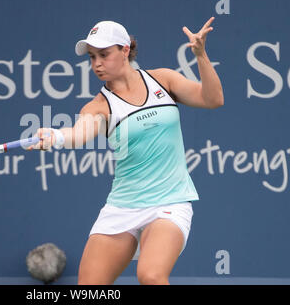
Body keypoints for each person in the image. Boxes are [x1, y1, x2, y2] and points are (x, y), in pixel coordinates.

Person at [28, 18, 223, 285]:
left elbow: (213, 99)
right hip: (123, 207)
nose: (96, 63)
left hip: (169, 202)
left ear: (125, 50)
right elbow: (79, 134)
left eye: (104, 54)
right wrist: (56, 136)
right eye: (92, 57)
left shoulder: (163, 80)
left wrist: (200, 55)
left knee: (151, 276)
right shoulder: (99, 106)